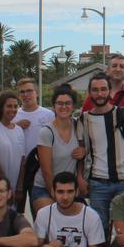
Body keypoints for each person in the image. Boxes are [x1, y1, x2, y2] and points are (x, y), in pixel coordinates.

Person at [82, 72, 124, 234]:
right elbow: (82, 150)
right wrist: (79, 177)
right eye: (95, 90)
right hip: (97, 182)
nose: (99, 93)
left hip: (123, 182)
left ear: (109, 91)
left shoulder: (122, 114)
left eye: (103, 89)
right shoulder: (84, 119)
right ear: (90, 93)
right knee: (98, 230)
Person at [31, 86, 84, 215]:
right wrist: (56, 196)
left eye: (68, 103)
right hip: (45, 188)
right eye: (59, 103)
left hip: (69, 189)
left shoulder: (78, 126)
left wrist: (83, 151)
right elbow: (46, 171)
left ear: (73, 106)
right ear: (54, 106)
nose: (63, 106)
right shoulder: (46, 132)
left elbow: (82, 156)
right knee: (53, 219)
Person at [12, 78, 54, 211]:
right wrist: (16, 126)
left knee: (40, 212)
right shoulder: (13, 115)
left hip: (40, 169)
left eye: (29, 91)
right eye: (22, 92)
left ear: (36, 92)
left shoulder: (48, 115)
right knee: (16, 210)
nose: (26, 95)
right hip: (18, 170)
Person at [0, 91, 27, 203]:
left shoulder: (19, 130)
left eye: (15, 106)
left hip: (13, 186)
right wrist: (6, 186)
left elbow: (22, 160)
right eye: (9, 106)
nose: (12, 109)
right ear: (1, 107)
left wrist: (19, 186)